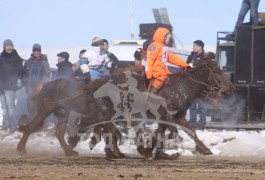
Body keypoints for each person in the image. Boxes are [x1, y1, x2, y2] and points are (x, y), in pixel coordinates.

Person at [145, 27, 189, 94]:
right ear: (163, 37)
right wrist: (149, 75)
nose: (169, 40)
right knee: (162, 77)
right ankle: (152, 94)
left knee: (173, 78)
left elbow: (174, 58)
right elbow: (149, 61)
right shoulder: (155, 45)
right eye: (168, 38)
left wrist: (185, 65)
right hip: (155, 70)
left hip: (162, 69)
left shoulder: (164, 48)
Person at [0, 39, 23, 131]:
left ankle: (13, 125)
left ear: (12, 47)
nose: (9, 47)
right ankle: (5, 125)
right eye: (7, 45)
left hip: (10, 85)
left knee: (11, 107)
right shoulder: (1, 58)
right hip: (1, 86)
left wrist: (15, 81)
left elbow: (19, 72)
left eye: (10, 45)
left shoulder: (16, 58)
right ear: (4, 47)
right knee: (4, 108)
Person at [186, 40, 207, 129]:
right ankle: (192, 121)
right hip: (191, 85)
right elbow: (186, 67)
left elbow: (206, 71)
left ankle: (202, 123)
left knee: (202, 105)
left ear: (199, 47)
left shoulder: (205, 58)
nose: (193, 48)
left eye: (194, 46)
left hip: (201, 85)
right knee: (192, 105)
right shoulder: (191, 56)